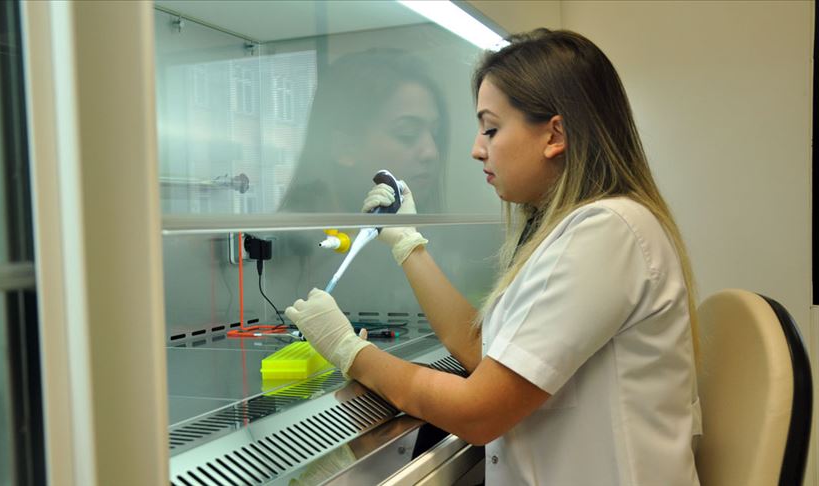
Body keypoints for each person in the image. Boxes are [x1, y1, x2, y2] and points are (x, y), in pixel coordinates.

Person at [285, 28, 701, 485]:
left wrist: (352, 352)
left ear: (555, 135)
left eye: (491, 128)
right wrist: (407, 244)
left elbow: (478, 412)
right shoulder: (582, 228)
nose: (475, 148)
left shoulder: (606, 232)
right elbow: (486, 352)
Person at [279, 47, 448, 214]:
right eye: (407, 133)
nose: (432, 152)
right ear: (344, 148)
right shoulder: (289, 232)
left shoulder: (419, 227)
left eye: (435, 134)